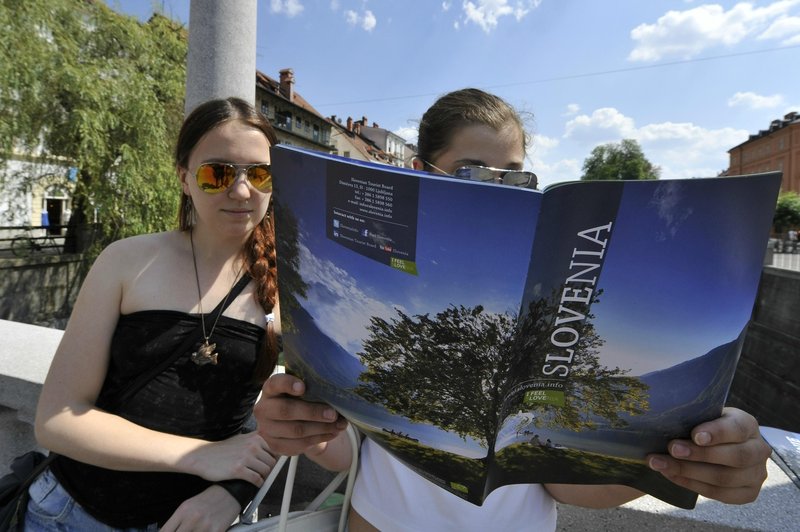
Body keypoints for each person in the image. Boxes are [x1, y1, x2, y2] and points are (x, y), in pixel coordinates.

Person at [254, 88, 772, 531]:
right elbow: (348, 451)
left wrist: (681, 465)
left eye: (515, 177)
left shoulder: (545, 304)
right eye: (472, 171)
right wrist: (300, 429)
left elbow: (562, 486)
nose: (497, 189)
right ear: (419, 171)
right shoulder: (381, 288)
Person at [29, 97, 282, 531]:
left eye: (258, 174)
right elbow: (56, 420)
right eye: (217, 173)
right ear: (185, 178)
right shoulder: (126, 261)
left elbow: (307, 417)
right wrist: (199, 456)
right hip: (70, 515)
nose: (241, 191)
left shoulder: (289, 288)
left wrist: (233, 492)